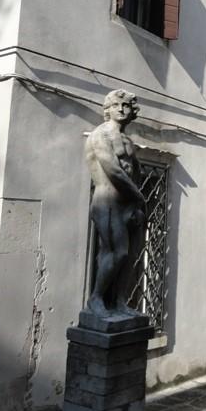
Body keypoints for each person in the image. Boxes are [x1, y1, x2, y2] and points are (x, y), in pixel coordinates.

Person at [85, 89, 147, 316]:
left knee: (130, 255)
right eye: (115, 105)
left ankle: (120, 301)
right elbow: (113, 170)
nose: (121, 109)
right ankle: (96, 299)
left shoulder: (128, 141)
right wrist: (139, 197)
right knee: (116, 252)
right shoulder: (100, 135)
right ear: (107, 110)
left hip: (129, 204)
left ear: (132, 111)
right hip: (108, 201)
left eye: (126, 106)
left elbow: (135, 172)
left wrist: (136, 205)